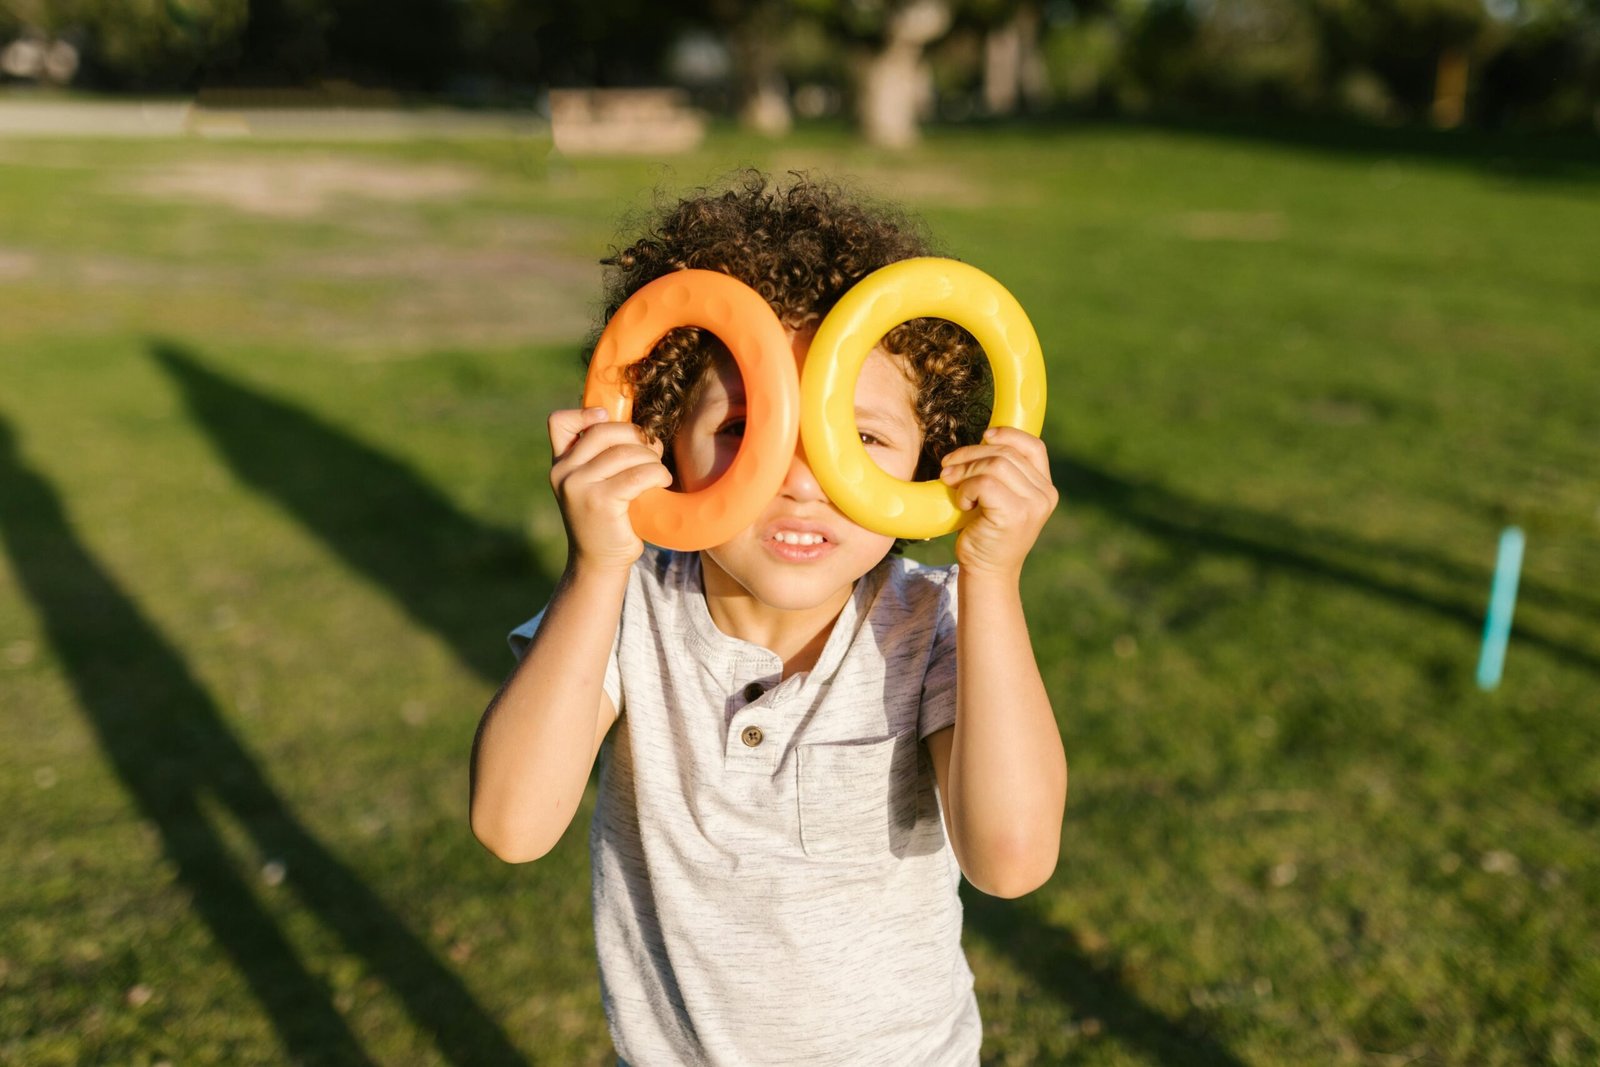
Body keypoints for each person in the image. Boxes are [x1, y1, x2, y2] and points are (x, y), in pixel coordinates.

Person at [469, 172, 1067, 1066]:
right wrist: (596, 563)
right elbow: (512, 824)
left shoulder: (936, 626)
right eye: (745, 428)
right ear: (661, 437)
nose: (797, 477)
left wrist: (992, 576)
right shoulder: (629, 606)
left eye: (857, 440)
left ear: (928, 463)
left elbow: (1011, 858)